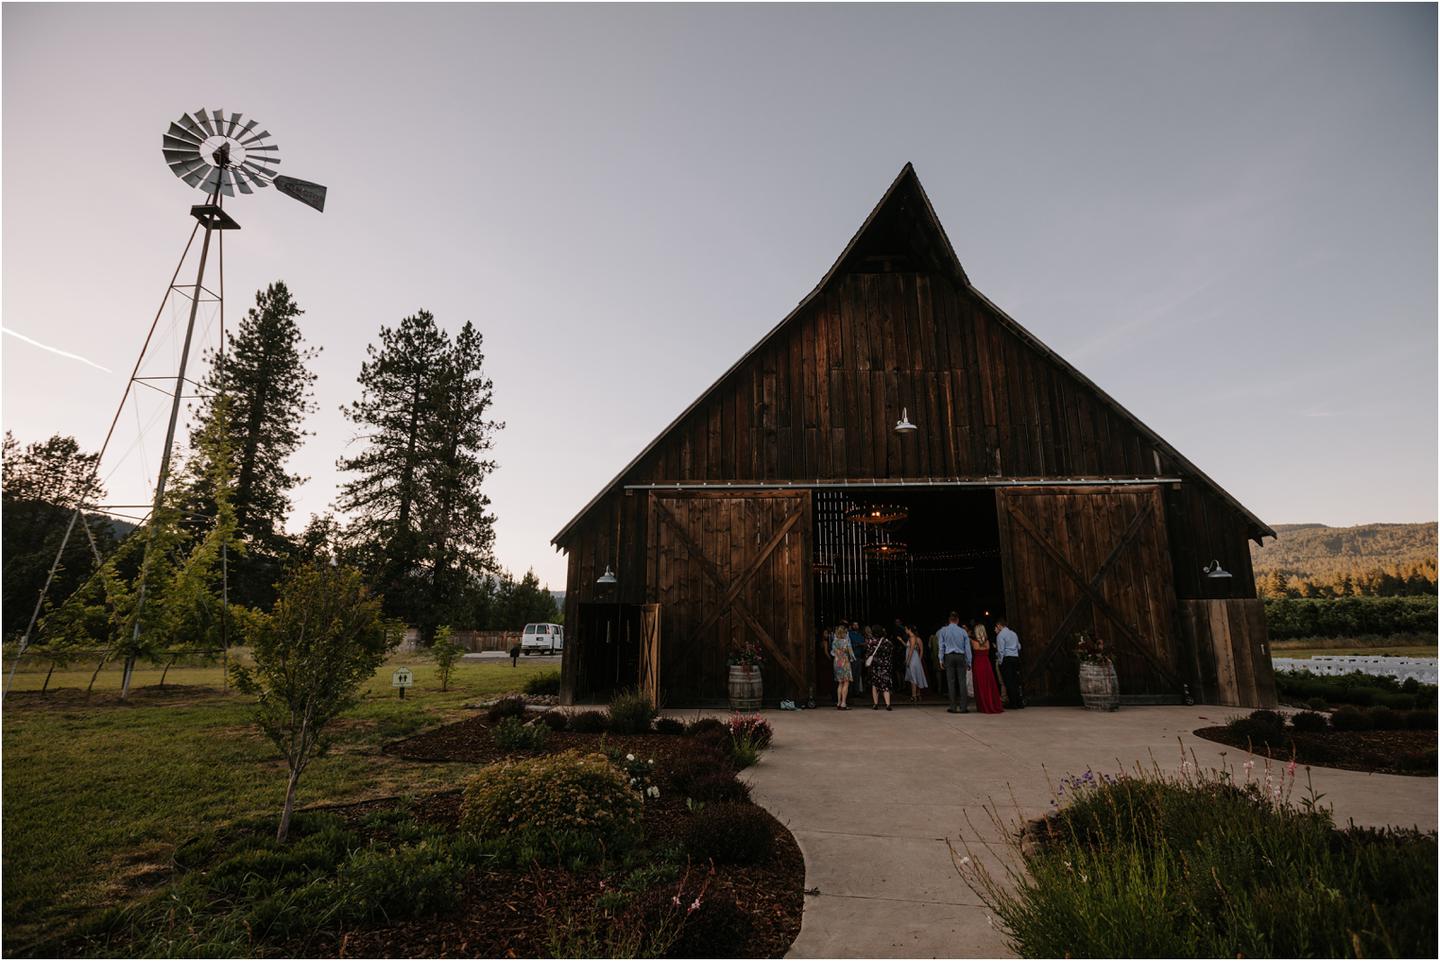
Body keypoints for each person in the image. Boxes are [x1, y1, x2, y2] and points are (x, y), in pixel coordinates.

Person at [937, 612, 971, 713]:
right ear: (957, 620)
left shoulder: (943, 631)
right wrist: (969, 661)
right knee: (962, 681)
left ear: (949, 620)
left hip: (949, 656)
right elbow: (967, 648)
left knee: (951, 682)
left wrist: (940, 659)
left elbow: (941, 646)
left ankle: (953, 707)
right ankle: (963, 707)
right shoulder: (963, 632)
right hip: (960, 656)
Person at [970, 623, 1004, 714]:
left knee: (980, 684)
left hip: (978, 664)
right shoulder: (988, 642)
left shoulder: (973, 642)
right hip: (986, 663)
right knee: (988, 684)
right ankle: (990, 703)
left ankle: (982, 705)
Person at [995, 617, 1024, 709]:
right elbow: (1019, 646)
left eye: (997, 626)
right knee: (1016, 681)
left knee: (1009, 681)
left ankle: (1013, 703)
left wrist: (1000, 662)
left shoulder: (1000, 635)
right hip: (1015, 658)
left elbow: (1001, 651)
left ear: (999, 625)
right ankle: (1019, 702)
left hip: (1007, 659)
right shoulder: (1014, 633)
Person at [865, 628, 894, 710]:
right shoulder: (888, 642)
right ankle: (888, 704)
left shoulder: (872, 642)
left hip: (875, 666)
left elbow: (868, 653)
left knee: (875, 685)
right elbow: (891, 653)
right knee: (885, 686)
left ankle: (875, 704)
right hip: (885, 666)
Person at [830, 623, 855, 710]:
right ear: (844, 632)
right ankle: (844, 703)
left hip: (837, 662)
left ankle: (838, 702)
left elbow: (832, 652)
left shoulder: (834, 641)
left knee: (840, 683)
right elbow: (850, 653)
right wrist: (852, 658)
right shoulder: (846, 641)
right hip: (845, 662)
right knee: (846, 682)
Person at [903, 625, 929, 702]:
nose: (905, 630)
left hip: (913, 660)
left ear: (909, 629)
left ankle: (914, 696)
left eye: (906, 629)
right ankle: (917, 695)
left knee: (913, 678)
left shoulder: (912, 638)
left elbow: (911, 650)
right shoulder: (911, 638)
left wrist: (908, 660)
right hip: (914, 659)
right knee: (915, 677)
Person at [848, 621, 867, 694]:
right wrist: (859, 644)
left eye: (857, 625)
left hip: (859, 657)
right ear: (852, 626)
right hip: (852, 657)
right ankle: (850, 692)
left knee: (858, 675)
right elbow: (849, 645)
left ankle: (857, 692)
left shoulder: (860, 635)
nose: (856, 626)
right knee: (851, 675)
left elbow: (864, 647)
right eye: (854, 625)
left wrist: (864, 645)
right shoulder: (849, 635)